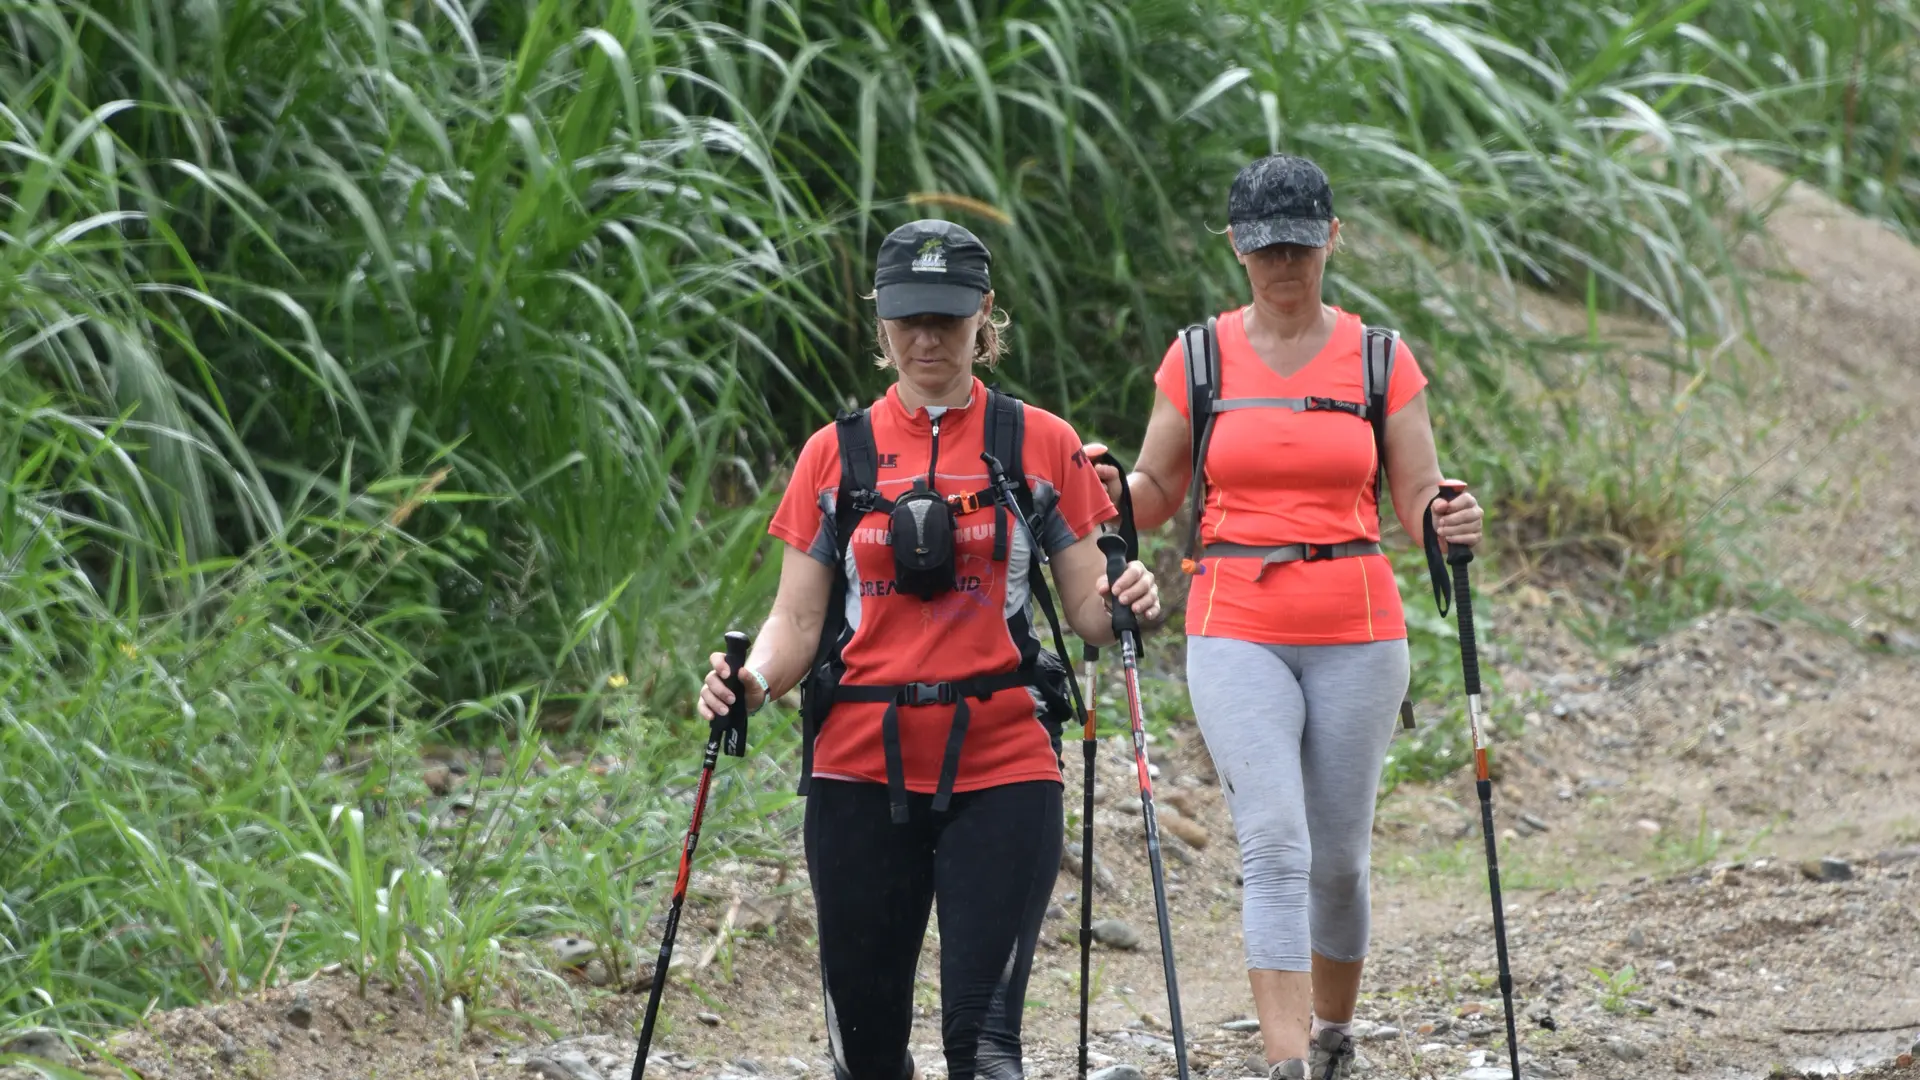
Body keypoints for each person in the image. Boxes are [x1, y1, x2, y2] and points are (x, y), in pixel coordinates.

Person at [698, 219, 1162, 1080]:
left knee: (985, 1051)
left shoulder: (1039, 442)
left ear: (983, 316)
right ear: (879, 321)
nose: (926, 339)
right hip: (856, 774)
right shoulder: (832, 454)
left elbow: (1091, 609)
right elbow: (797, 624)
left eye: (947, 319)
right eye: (908, 318)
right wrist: (750, 680)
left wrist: (1131, 594)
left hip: (1006, 764)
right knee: (868, 1056)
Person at [1084, 154, 1485, 1080]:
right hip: (1235, 622)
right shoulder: (1200, 357)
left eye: (1301, 244)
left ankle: (1335, 1030)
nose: (1284, 263)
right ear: (1236, 248)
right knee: (1273, 841)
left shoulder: (1382, 359)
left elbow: (1421, 496)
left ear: (1332, 241)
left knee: (1337, 861)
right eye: (1265, 246)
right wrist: (1110, 487)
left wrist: (1450, 518)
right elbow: (1153, 492)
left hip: (1360, 629)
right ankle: (1288, 1061)